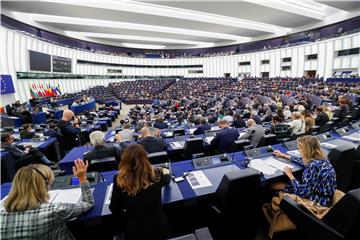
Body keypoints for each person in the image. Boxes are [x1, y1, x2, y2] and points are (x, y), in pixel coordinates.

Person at [0, 160, 94, 239]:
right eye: (51, 183)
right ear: (44, 185)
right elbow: (88, 203)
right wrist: (82, 178)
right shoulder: (54, 210)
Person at [109, 144, 171, 240]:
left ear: (124, 159)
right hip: (158, 228)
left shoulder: (119, 179)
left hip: (135, 231)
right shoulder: (157, 174)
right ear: (145, 157)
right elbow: (167, 180)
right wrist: (166, 172)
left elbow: (114, 208)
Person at [272, 135, 336, 207]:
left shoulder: (313, 166)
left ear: (305, 150)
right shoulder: (322, 159)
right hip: (325, 196)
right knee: (280, 185)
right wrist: (283, 155)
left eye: (299, 148)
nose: (298, 150)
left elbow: (303, 192)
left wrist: (290, 174)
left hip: (319, 200)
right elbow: (303, 161)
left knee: (275, 186)